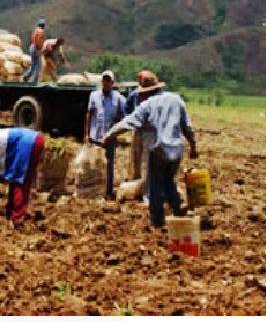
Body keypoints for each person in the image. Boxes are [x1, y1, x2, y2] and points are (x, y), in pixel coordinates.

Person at [102, 71, 198, 228]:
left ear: (145, 92)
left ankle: (157, 220)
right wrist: (193, 146)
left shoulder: (147, 105)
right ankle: (177, 204)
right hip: (177, 149)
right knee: (168, 179)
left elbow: (129, 121)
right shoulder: (176, 99)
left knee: (155, 184)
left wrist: (110, 135)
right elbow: (187, 126)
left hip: (159, 148)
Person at [84, 70, 126, 200]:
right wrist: (86, 134)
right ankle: (94, 191)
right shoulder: (94, 95)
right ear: (101, 82)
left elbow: (123, 115)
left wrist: (116, 123)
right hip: (95, 135)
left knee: (109, 165)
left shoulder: (118, 98)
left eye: (109, 81)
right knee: (94, 164)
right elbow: (89, 114)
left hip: (109, 136)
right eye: (104, 80)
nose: (106, 83)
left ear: (112, 83)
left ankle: (107, 191)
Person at [126, 70, 153, 205]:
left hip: (149, 130)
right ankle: (136, 181)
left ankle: (147, 189)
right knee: (136, 156)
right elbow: (127, 108)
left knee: (148, 160)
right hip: (137, 128)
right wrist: (131, 119)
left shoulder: (155, 97)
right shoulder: (134, 95)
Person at [22, 19, 46, 83]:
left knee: (33, 64)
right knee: (37, 65)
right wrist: (39, 49)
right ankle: (34, 80)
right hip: (36, 48)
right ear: (43, 25)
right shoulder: (41, 31)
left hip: (32, 47)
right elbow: (38, 40)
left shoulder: (35, 30)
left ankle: (26, 76)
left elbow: (33, 39)